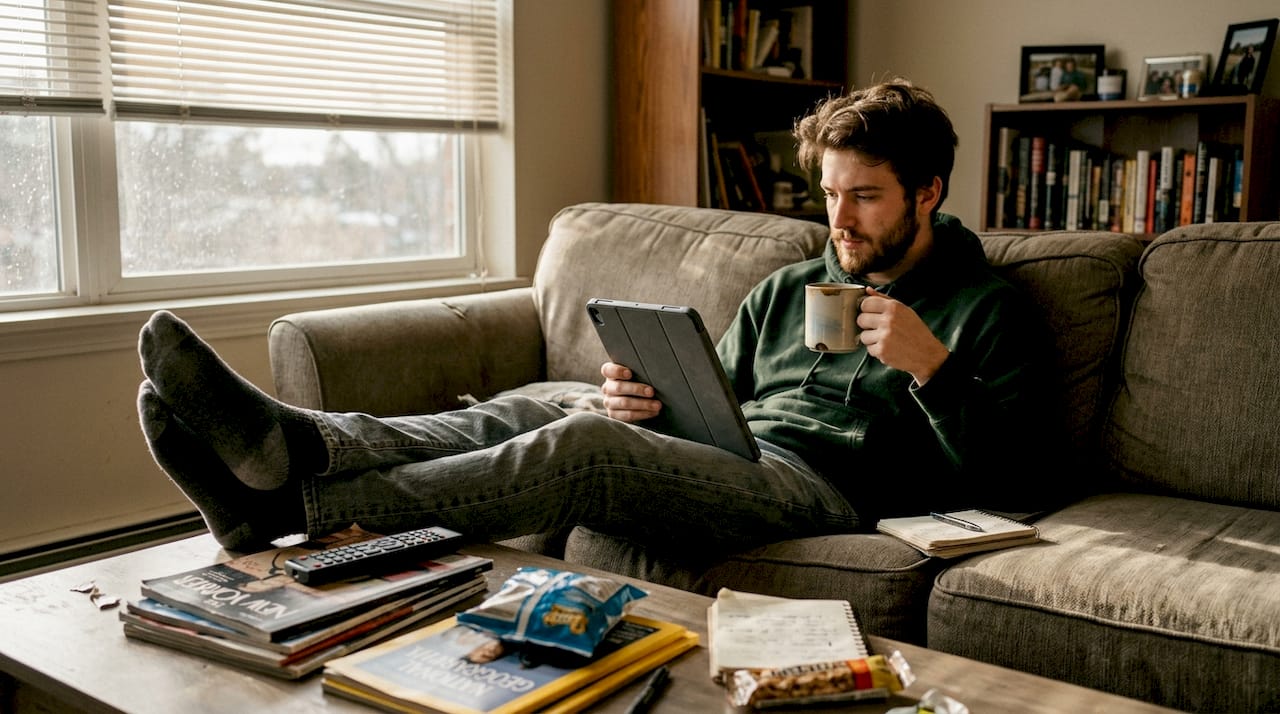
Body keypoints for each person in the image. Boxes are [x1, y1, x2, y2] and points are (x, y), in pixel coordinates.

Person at [136, 78, 1060, 557]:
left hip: (830, 491)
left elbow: (1018, 479)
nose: (839, 221)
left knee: (584, 453)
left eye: (865, 198)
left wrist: (933, 371)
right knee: (547, 404)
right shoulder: (792, 287)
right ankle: (305, 444)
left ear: (928, 192)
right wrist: (649, 397)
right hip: (737, 453)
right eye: (829, 195)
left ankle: (294, 507)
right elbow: (722, 397)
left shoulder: (985, 310)